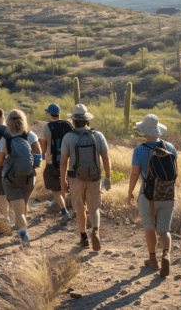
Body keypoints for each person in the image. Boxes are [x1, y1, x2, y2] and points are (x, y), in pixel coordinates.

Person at [128, 114, 178, 278]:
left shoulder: (139, 150)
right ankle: (166, 255)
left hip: (148, 195)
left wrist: (130, 193)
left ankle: (153, 260)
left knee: (149, 227)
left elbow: (135, 174)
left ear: (144, 131)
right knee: (164, 229)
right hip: (168, 194)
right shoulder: (170, 147)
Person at [60, 104, 111, 251]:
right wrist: (108, 177)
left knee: (79, 207)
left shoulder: (68, 137)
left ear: (73, 121)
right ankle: (95, 230)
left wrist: (63, 180)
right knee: (94, 207)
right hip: (95, 176)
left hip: (75, 177)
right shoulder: (98, 135)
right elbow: (106, 158)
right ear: (87, 120)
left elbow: (63, 161)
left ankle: (83, 238)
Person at [0, 109, 42, 246]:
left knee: (18, 210)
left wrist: (9, 163)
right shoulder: (30, 135)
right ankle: (22, 225)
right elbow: (39, 154)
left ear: (8, 122)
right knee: (24, 205)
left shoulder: (5, 138)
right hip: (29, 177)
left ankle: (23, 234)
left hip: (11, 179)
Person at [39, 104, 74, 225]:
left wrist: (43, 154)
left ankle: (64, 212)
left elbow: (42, 145)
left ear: (49, 114)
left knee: (54, 187)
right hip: (67, 159)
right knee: (62, 180)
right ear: (59, 113)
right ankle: (59, 201)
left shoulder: (47, 127)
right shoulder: (67, 124)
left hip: (52, 161)